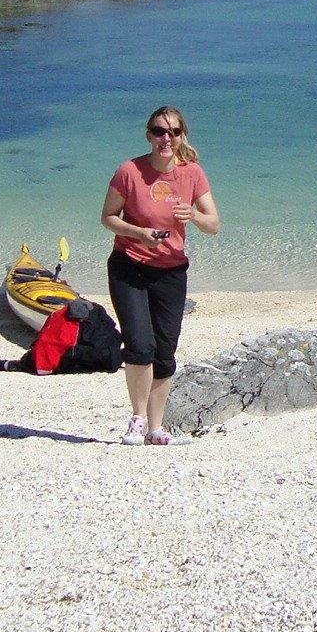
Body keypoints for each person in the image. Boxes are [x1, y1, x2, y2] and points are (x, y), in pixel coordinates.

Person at [99, 106, 219, 445]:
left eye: (173, 132)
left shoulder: (192, 173)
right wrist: (139, 233)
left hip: (171, 272)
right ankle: (136, 420)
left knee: (165, 351)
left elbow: (214, 225)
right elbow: (108, 217)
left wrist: (194, 214)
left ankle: (156, 428)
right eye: (158, 131)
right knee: (139, 345)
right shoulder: (129, 171)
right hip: (129, 266)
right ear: (148, 134)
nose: (165, 138)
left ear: (182, 136)